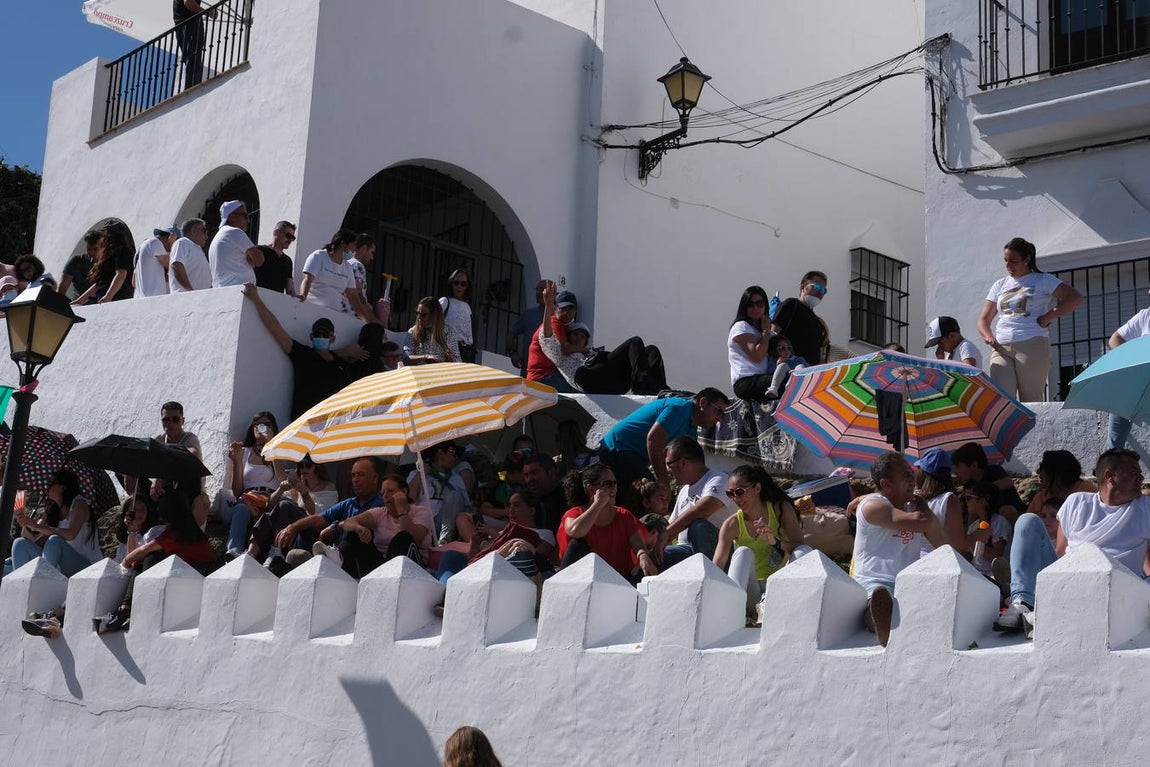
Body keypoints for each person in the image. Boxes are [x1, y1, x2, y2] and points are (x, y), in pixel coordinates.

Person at [995, 449, 1150, 637]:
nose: (1141, 478)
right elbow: (1061, 554)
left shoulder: (1144, 506)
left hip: (1117, 591)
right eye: (1134, 472)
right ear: (1110, 476)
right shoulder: (1077, 502)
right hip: (1070, 583)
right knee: (1028, 520)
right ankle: (1022, 603)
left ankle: (1029, 604)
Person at [852, 452, 946, 646]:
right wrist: (923, 506)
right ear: (886, 484)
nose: (913, 479)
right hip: (875, 583)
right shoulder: (872, 506)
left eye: (911, 473)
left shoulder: (914, 508)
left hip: (907, 583)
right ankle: (878, 622)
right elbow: (922, 522)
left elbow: (944, 545)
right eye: (906, 475)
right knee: (878, 601)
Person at [95, 487, 218, 634]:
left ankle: (125, 609)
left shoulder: (175, 533)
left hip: (190, 585)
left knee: (151, 557)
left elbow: (142, 551)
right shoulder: (192, 530)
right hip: (196, 580)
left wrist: (126, 563)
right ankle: (125, 609)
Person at [977, 236, 1083, 402]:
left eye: (1013, 261)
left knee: (1031, 400)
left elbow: (1074, 298)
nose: (1008, 266)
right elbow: (983, 319)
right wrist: (988, 337)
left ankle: (1035, 429)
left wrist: (1048, 316)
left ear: (1026, 259)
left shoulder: (1043, 280)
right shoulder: (999, 285)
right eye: (1005, 261)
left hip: (1032, 343)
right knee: (1002, 400)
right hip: (1001, 346)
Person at [242, 283, 365, 417]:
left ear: (333, 338)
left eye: (325, 335)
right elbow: (275, 327)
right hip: (305, 423)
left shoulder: (342, 364)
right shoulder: (303, 355)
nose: (321, 337)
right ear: (312, 337)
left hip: (331, 424)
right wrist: (256, 300)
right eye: (318, 334)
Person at [599, 388, 730, 510]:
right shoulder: (679, 408)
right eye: (718, 411)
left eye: (722, 415)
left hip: (631, 456)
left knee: (650, 499)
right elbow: (653, 440)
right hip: (617, 449)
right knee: (650, 498)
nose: (719, 419)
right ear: (703, 402)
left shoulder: (691, 429)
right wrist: (664, 482)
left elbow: (689, 464)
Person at [713, 465, 805, 619]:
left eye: (740, 492)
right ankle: (731, 613)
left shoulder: (780, 509)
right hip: (752, 593)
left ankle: (801, 603)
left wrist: (774, 542)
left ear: (757, 488)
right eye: (731, 494)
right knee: (742, 552)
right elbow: (715, 569)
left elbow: (801, 547)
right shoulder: (731, 524)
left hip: (781, 586)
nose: (736, 498)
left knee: (803, 551)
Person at [538, 283, 666, 394]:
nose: (579, 338)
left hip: (611, 382)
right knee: (635, 341)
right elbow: (548, 336)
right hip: (587, 378)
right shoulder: (560, 352)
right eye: (576, 334)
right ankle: (642, 387)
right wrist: (548, 305)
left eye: (583, 337)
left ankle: (659, 390)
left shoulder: (585, 352)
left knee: (651, 351)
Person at [556, 464, 654, 582]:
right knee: (576, 544)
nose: (613, 488)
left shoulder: (624, 515)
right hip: (585, 582)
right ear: (590, 489)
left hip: (620, 580)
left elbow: (639, 546)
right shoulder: (575, 513)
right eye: (607, 484)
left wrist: (642, 555)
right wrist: (598, 504)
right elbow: (575, 531)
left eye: (615, 483)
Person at [274, 457, 386, 557]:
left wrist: (335, 526)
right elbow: (319, 518)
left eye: (361, 474)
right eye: (353, 475)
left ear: (375, 478)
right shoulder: (349, 503)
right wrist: (292, 527)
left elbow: (358, 522)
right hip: (336, 551)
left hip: (363, 557)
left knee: (353, 533)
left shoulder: (381, 503)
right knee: (306, 528)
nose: (355, 479)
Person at [328, 474, 434, 577]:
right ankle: (337, 565)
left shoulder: (421, 512)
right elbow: (349, 522)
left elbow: (415, 538)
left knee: (403, 537)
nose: (386, 496)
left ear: (404, 491)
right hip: (382, 566)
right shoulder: (380, 513)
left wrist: (401, 510)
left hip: (413, 568)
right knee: (353, 534)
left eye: (390, 491)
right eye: (383, 493)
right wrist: (359, 528)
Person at [10, 469, 102, 577]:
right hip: (61, 563)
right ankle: (21, 585)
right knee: (20, 543)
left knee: (54, 540)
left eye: (51, 483)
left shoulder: (79, 504)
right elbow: (31, 538)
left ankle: (42, 582)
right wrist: (26, 524)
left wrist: (37, 527)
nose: (47, 487)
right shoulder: (52, 510)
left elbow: (71, 534)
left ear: (63, 487)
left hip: (86, 566)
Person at [220, 412, 286, 558]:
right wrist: (236, 461)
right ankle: (233, 551)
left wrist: (272, 445)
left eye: (266, 424)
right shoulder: (244, 452)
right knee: (240, 508)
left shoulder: (277, 451)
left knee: (278, 510)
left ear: (273, 428)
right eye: (257, 424)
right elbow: (237, 491)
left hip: (271, 497)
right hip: (248, 498)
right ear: (252, 428)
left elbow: (282, 478)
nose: (261, 427)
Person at [248, 456, 339, 564]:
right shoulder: (297, 484)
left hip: (312, 531)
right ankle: (250, 555)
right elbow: (270, 504)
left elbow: (318, 516)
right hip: (293, 530)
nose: (304, 469)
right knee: (268, 516)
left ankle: (276, 550)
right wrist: (280, 489)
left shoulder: (328, 487)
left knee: (285, 505)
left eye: (308, 465)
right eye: (301, 465)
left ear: (317, 467)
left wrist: (304, 493)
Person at [662, 437, 736, 567]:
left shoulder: (720, 479)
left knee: (698, 526)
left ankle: (712, 580)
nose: (667, 470)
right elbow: (671, 525)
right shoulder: (684, 490)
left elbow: (702, 510)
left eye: (669, 464)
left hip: (720, 554)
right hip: (687, 551)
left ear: (683, 463)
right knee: (654, 556)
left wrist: (667, 533)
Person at [298, 228, 375, 322]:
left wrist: (366, 319)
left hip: (335, 317)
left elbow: (353, 297)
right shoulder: (318, 256)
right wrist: (302, 296)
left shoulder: (348, 267)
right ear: (343, 244)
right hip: (313, 311)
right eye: (353, 245)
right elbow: (307, 279)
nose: (355, 249)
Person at [1106, 296, 1150, 448]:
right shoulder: (1146, 315)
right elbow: (1115, 339)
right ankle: (1112, 456)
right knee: (1122, 394)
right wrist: (1129, 360)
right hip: (1142, 380)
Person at [728, 285, 785, 402]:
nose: (755, 308)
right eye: (750, 304)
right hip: (745, 381)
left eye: (760, 304)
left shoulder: (766, 331)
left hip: (763, 378)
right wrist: (765, 332)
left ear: (765, 306)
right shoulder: (741, 326)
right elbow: (757, 355)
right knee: (787, 381)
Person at [914, 447, 971, 559]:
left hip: (915, 561)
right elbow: (959, 546)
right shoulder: (948, 500)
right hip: (939, 563)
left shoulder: (914, 499)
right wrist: (978, 535)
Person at [526, 287, 584, 391]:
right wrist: (587, 350)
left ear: (575, 311)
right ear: (555, 308)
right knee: (581, 389)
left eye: (570, 309)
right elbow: (565, 349)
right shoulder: (554, 322)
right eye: (563, 309)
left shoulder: (567, 327)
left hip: (551, 375)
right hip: (541, 378)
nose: (566, 313)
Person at [772, 270, 830, 366]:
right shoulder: (791, 304)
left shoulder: (818, 323)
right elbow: (774, 334)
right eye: (817, 287)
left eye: (824, 290)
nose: (820, 292)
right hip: (788, 369)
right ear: (803, 288)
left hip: (810, 374)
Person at [950, 442, 1024, 518]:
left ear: (973, 466)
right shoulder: (969, 484)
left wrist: (978, 490)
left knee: (1006, 510)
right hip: (991, 522)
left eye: (957, 466)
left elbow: (1008, 482)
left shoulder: (994, 471)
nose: (954, 471)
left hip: (1016, 517)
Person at [74, 221, 135, 304]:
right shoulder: (109, 256)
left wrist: (108, 297)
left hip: (117, 300)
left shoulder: (122, 251)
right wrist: (78, 302)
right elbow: (100, 284)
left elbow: (121, 274)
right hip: (105, 301)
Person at [209, 200, 264, 287]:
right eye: (245, 216)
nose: (248, 221)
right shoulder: (234, 232)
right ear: (233, 216)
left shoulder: (219, 236)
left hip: (224, 290)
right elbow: (259, 260)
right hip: (238, 290)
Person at [1025, 449, 1095, 516]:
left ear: (1056, 473)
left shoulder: (1088, 494)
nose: (1038, 472)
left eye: (1042, 467)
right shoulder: (1041, 498)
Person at [507, 279, 547, 376]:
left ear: (553, 292)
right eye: (537, 289)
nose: (538, 292)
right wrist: (513, 353)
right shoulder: (529, 314)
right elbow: (512, 333)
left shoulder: (559, 315)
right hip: (529, 371)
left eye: (542, 289)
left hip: (551, 373)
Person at [173, 0, 216, 90]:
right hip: (189, 27)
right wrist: (207, 12)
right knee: (193, 59)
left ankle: (192, 88)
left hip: (185, 28)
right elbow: (188, 2)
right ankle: (192, 89)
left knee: (193, 60)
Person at [405, 296, 461, 364]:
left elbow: (458, 362)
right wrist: (426, 357)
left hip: (440, 372)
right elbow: (406, 358)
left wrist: (451, 359)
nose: (418, 318)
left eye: (423, 315)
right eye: (417, 313)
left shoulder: (448, 333)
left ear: (434, 315)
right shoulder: (413, 332)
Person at [522, 453, 568, 535]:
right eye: (526, 475)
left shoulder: (570, 497)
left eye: (534, 473)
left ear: (551, 472)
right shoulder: (530, 503)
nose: (529, 479)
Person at [440, 268, 476, 363]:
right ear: (451, 283)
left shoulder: (467, 307)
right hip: (449, 349)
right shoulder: (444, 301)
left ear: (467, 286)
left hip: (466, 351)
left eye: (463, 284)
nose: (459, 286)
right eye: (456, 282)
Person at [134, 225, 180, 298]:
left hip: (143, 297)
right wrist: (173, 246)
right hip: (152, 298)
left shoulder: (145, 245)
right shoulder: (155, 243)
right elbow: (173, 266)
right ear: (169, 237)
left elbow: (133, 282)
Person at [168, 218, 212, 292]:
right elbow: (177, 265)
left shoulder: (197, 248)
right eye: (204, 231)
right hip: (186, 297)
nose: (206, 236)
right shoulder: (183, 242)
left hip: (198, 297)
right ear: (193, 231)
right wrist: (190, 291)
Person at [255, 220, 297, 295]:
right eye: (288, 236)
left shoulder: (287, 261)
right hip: (256, 298)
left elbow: (290, 289)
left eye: (293, 238)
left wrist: (296, 299)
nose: (290, 240)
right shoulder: (259, 251)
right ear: (276, 233)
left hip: (275, 303)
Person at [59, 231, 99, 298]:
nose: (92, 252)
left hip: (102, 303)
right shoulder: (76, 261)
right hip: (79, 304)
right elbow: (63, 286)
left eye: (95, 249)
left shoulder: (108, 262)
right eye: (89, 249)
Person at [345, 233, 375, 307]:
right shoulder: (358, 266)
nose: (372, 257)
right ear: (364, 248)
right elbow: (357, 294)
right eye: (372, 252)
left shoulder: (346, 262)